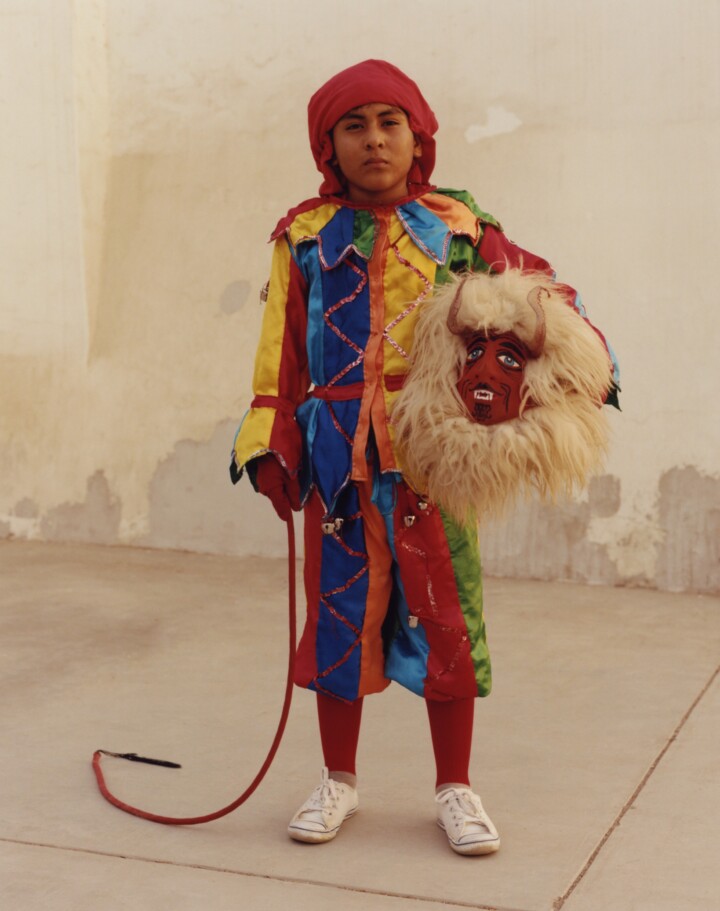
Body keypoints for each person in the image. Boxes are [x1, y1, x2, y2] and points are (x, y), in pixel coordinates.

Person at [230, 59, 618, 856]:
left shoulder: (463, 229)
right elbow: (279, 358)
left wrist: (582, 360)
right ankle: (338, 779)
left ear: (418, 137)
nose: (374, 141)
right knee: (338, 621)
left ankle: (456, 787)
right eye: (354, 127)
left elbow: (542, 298)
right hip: (338, 461)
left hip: (438, 459)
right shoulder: (301, 237)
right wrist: (271, 440)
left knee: (447, 618)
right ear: (328, 145)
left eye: (390, 123)